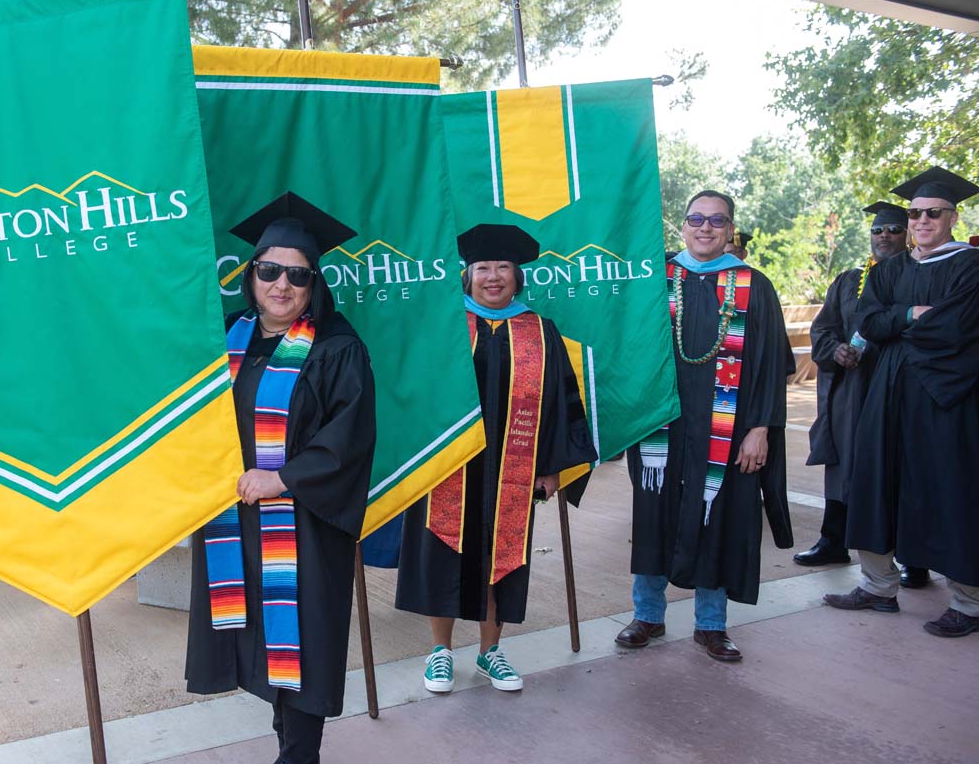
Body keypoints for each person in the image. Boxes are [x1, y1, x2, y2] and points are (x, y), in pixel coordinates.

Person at [186, 192, 377, 764]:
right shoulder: (227, 337)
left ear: (313, 282)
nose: (282, 285)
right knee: (263, 637)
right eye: (270, 271)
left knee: (303, 637)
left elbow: (351, 437)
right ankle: (287, 743)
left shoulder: (338, 348)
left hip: (305, 521)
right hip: (236, 518)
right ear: (251, 274)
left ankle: (300, 754)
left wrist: (286, 479)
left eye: (297, 275)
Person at [396, 223, 596, 693]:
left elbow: (560, 402)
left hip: (514, 468)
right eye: (482, 267)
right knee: (443, 554)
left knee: (500, 556)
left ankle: (490, 652)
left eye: (502, 267)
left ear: (517, 275)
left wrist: (552, 466)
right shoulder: (445, 326)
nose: (492, 276)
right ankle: (440, 652)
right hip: (448, 468)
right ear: (466, 276)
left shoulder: (540, 330)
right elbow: (414, 394)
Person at [619, 190, 792, 662]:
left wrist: (761, 428)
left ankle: (711, 624)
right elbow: (626, 347)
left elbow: (773, 364)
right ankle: (648, 615)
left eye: (717, 221)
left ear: (730, 229)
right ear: (682, 225)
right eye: (696, 218)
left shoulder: (753, 284)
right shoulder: (656, 279)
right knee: (654, 515)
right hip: (662, 424)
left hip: (728, 428)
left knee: (716, 514)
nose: (705, 227)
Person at [824, 167, 979, 637]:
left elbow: (955, 328)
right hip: (887, 391)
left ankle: (969, 603)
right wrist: (910, 314)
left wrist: (895, 325)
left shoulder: (970, 268)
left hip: (944, 395)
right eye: (915, 214)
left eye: (933, 213)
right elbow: (868, 323)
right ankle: (878, 586)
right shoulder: (889, 270)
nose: (921, 222)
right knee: (873, 479)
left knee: (949, 489)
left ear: (953, 216)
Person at [796, 202, 908, 566]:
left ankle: (912, 559)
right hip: (852, 388)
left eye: (893, 229)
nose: (884, 236)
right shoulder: (849, 280)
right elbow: (824, 328)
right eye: (878, 230)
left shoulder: (917, 277)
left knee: (900, 467)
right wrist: (835, 350)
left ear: (907, 235)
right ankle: (833, 541)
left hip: (896, 389)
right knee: (841, 462)